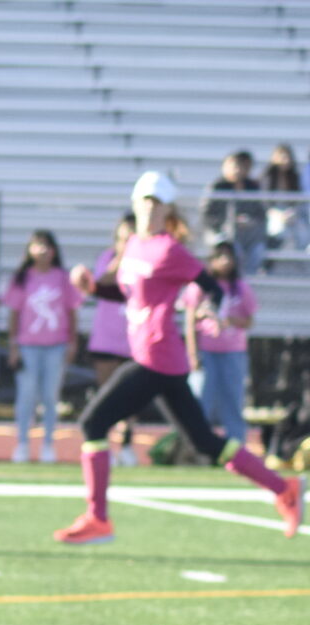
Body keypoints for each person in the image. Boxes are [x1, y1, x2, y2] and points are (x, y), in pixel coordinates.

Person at [55, 172, 300, 546]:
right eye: (146, 200)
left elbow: (212, 287)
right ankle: (283, 487)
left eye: (158, 202)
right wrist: (92, 288)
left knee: (93, 424)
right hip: (160, 361)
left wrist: (211, 311)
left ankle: (98, 518)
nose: (150, 208)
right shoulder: (135, 244)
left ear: (168, 208)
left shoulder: (169, 249)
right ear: (135, 202)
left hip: (156, 356)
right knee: (203, 442)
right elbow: (127, 294)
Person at [1, 230, 75, 464]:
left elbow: (71, 310)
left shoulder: (62, 277)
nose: (43, 251)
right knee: (26, 395)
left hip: (56, 345)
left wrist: (72, 341)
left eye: (47, 246)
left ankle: (48, 444)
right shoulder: (22, 278)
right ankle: (22, 443)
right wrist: (13, 345)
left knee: (50, 396)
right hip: (28, 346)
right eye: (38, 245)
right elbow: (14, 313)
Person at [183, 240, 256, 452]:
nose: (225, 261)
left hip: (233, 352)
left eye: (229, 257)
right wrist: (192, 354)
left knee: (232, 401)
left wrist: (231, 321)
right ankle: (197, 448)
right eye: (220, 256)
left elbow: (249, 320)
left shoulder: (240, 288)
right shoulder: (200, 286)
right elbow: (190, 321)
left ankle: (235, 449)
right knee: (199, 402)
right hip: (206, 351)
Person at [84, 211, 140, 465]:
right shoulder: (107, 258)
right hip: (106, 338)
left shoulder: (145, 261)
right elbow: (100, 284)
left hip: (134, 338)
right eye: (122, 237)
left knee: (131, 396)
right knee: (106, 394)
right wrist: (120, 258)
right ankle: (103, 444)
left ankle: (126, 444)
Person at [199, 151, 266, 278]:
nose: (237, 170)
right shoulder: (217, 187)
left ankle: (249, 282)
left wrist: (249, 221)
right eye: (233, 166)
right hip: (221, 231)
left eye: (239, 166)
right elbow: (206, 214)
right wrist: (225, 224)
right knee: (233, 249)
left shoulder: (252, 186)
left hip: (247, 234)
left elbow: (260, 213)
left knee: (258, 250)